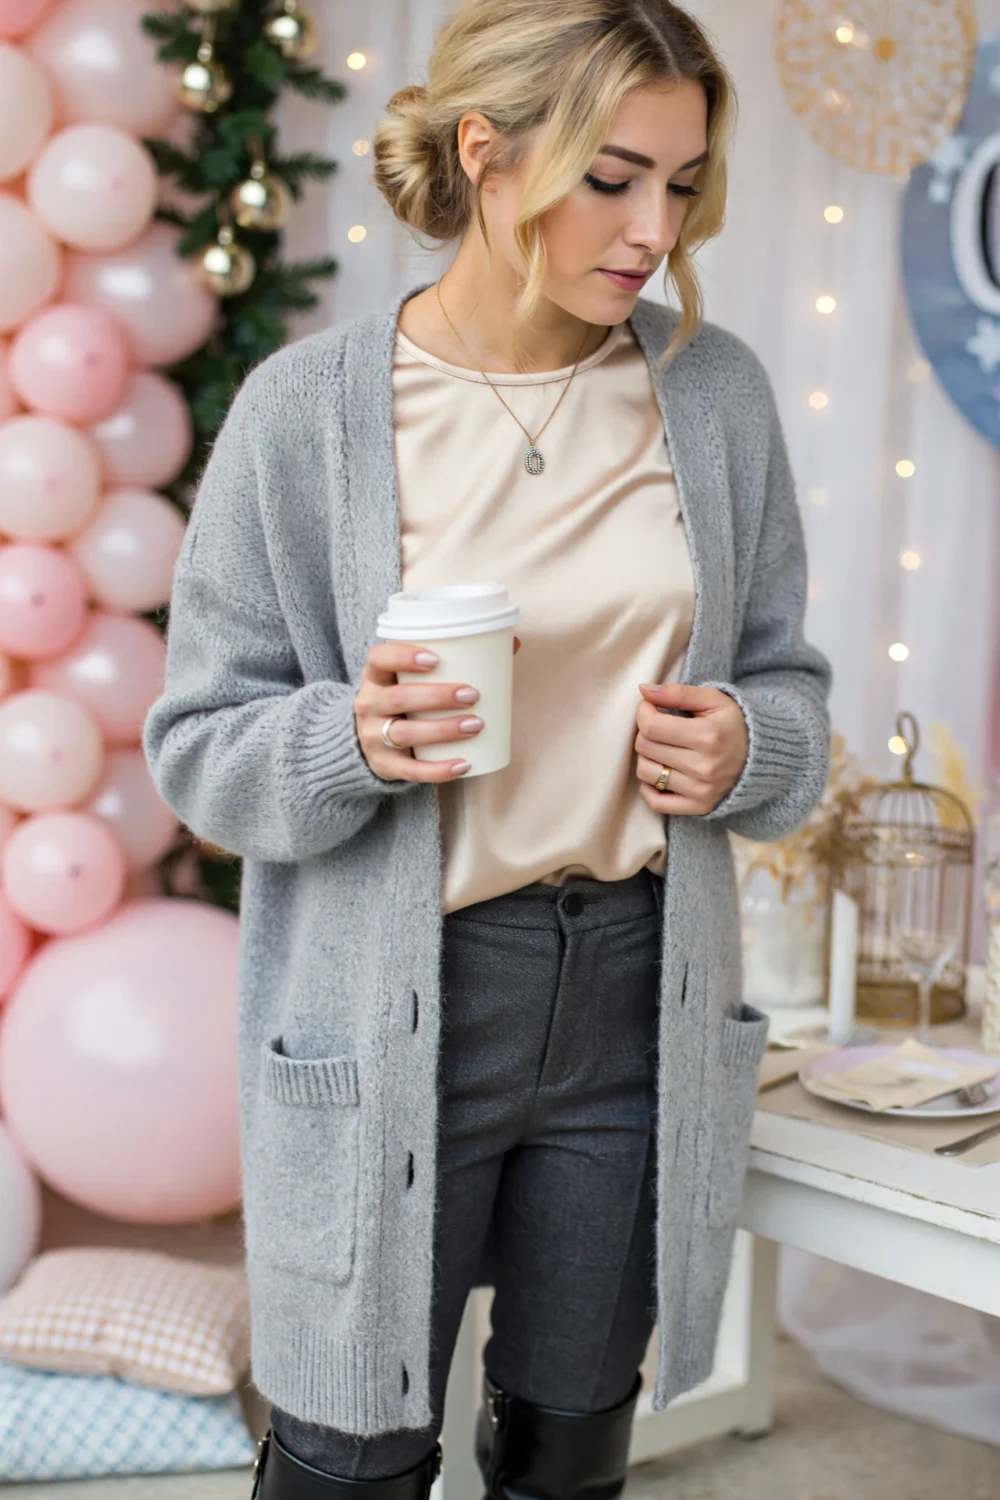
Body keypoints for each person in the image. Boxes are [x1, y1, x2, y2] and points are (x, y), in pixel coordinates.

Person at [142, 2, 833, 1498]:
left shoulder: (714, 397)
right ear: (487, 154)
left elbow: (788, 685)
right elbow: (196, 748)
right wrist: (350, 739)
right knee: (349, 1455)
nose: (655, 227)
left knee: (574, 1450)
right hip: (411, 999)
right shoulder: (306, 415)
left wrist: (752, 747)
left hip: (638, 1000)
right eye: (614, 177)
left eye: (684, 182)